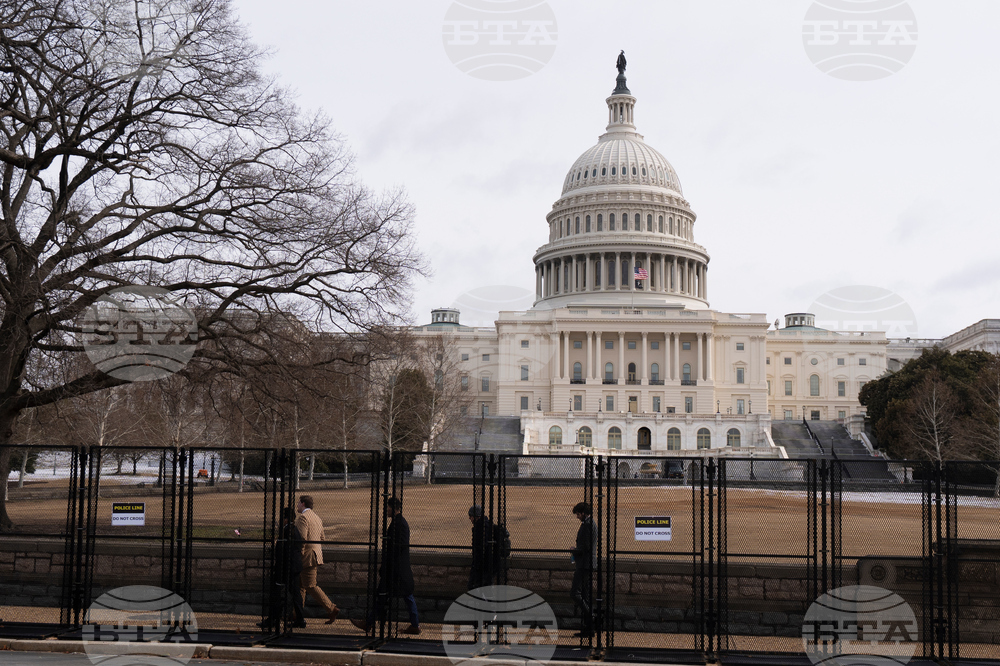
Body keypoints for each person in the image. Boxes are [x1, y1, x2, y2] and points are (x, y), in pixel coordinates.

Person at [352, 496, 420, 635]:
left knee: (395, 596)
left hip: (396, 570)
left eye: (387, 507)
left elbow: (396, 548)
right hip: (397, 569)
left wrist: (386, 565)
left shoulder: (399, 523)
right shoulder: (399, 522)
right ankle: (371, 622)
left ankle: (370, 623)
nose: (385, 510)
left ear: (393, 508)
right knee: (397, 596)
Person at [294, 495, 339, 624]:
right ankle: (297, 614)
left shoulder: (303, 518)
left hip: (306, 556)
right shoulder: (317, 517)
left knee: (310, 585)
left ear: (303, 504)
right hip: (315, 554)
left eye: (298, 503)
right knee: (301, 586)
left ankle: (331, 608)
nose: (297, 505)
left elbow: (302, 538)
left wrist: (299, 554)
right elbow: (322, 537)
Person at [260, 507, 306, 629]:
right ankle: (300, 619)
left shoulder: (287, 531)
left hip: (286, 567)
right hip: (294, 566)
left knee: (277, 593)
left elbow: (283, 550)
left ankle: (273, 620)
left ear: (285, 519)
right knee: (295, 594)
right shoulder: (293, 530)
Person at [569, 501, 597, 639]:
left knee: (575, 592)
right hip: (587, 563)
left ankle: (591, 617)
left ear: (583, 513)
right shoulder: (591, 524)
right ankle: (589, 628)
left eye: (578, 514)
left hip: (585, 564)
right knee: (585, 595)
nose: (577, 517)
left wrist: (575, 550)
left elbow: (585, 547)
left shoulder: (587, 526)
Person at [467, 505, 495, 590]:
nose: (469, 518)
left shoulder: (480, 527)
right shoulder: (487, 524)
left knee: (475, 586)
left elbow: (480, 547)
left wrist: (476, 564)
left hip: (482, 563)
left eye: (470, 516)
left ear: (476, 517)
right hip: (489, 563)